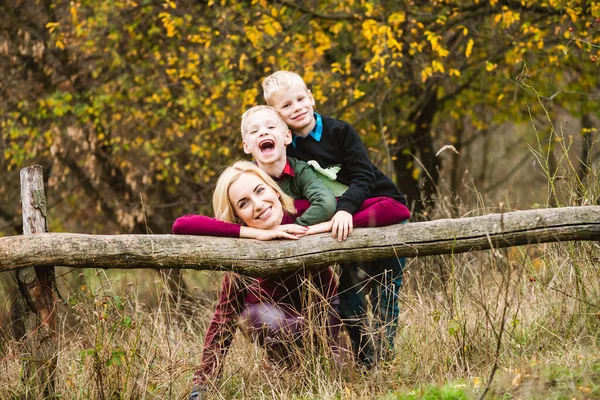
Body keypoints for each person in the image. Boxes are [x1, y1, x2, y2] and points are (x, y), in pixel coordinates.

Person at [174, 161, 410, 399]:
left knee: (343, 383)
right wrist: (202, 384)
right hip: (281, 335)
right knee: (257, 316)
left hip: (327, 330)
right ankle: (289, 375)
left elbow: (395, 208)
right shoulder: (241, 253)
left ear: (275, 190)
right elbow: (182, 225)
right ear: (237, 215)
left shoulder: (308, 214)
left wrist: (329, 223)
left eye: (260, 190)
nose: (258, 205)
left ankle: (322, 373)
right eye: (244, 203)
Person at [262, 70, 409, 365]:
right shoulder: (288, 147)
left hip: (380, 208)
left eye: (301, 99)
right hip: (345, 226)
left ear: (311, 97)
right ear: (277, 116)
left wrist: (345, 209)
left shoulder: (340, 131)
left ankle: (385, 357)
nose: (297, 108)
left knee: (386, 290)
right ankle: (366, 363)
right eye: (287, 106)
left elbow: (364, 175)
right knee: (351, 297)